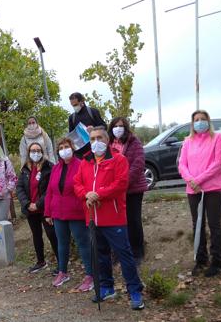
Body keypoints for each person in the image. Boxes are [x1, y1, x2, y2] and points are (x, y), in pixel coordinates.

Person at [74, 127, 145, 310]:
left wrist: (99, 194)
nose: (95, 141)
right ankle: (107, 287)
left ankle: (135, 291)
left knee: (124, 255)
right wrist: (86, 194)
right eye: (92, 138)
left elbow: (121, 184)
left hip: (113, 217)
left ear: (107, 140)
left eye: (99, 137)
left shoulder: (118, 159)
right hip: (92, 217)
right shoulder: (85, 161)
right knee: (101, 256)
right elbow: (77, 183)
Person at [178, 110, 221, 277]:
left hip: (213, 188)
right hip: (193, 190)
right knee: (197, 224)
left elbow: (218, 162)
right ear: (192, 124)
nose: (200, 122)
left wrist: (198, 180)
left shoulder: (217, 138)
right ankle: (200, 259)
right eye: (196, 120)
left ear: (208, 121)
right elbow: (182, 164)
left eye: (203, 119)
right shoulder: (187, 141)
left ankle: (217, 261)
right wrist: (191, 180)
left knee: (214, 224)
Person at [44, 138, 93, 290]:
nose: (64, 150)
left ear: (72, 148)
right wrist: (48, 212)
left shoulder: (80, 165)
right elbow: (50, 191)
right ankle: (63, 272)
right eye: (61, 147)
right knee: (62, 243)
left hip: (76, 211)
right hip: (58, 212)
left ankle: (90, 275)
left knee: (83, 243)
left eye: (67, 147)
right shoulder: (56, 168)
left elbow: (85, 186)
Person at [108, 117, 147, 263]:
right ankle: (120, 251)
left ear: (126, 127)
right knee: (117, 222)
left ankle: (137, 252)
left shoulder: (133, 142)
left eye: (121, 126)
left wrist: (122, 183)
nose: (118, 128)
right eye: (115, 126)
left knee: (133, 220)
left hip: (133, 189)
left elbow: (138, 164)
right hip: (114, 191)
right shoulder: (108, 144)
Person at [16, 142, 58, 274]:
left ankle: (61, 262)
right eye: (33, 151)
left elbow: (51, 189)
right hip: (30, 209)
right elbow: (19, 188)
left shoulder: (49, 167)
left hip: (45, 208)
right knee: (36, 235)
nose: (36, 153)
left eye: (38, 150)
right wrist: (27, 204)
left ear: (42, 151)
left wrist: (38, 204)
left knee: (52, 235)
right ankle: (41, 261)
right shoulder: (25, 169)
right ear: (28, 153)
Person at [68, 92, 107, 158]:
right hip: (80, 153)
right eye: (72, 105)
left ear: (82, 102)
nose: (74, 107)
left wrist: (94, 129)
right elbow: (71, 135)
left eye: (76, 104)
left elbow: (104, 127)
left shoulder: (93, 111)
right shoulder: (72, 117)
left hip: (96, 149)